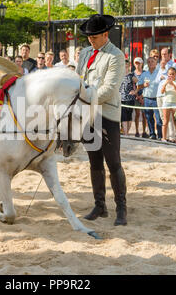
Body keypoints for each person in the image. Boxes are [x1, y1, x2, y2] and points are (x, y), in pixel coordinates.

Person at [76, 14, 127, 226]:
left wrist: (84, 97)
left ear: (105, 34)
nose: (90, 40)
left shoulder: (116, 55)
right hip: (88, 113)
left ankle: (121, 208)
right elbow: (78, 79)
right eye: (89, 36)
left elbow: (109, 88)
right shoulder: (85, 53)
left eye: (94, 36)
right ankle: (100, 205)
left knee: (113, 162)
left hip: (107, 114)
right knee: (94, 161)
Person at [155, 47, 176, 142]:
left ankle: (172, 137)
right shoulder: (159, 65)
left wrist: (164, 69)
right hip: (160, 93)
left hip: (169, 94)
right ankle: (165, 136)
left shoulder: (173, 64)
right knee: (162, 117)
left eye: (165, 54)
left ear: (169, 55)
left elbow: (172, 76)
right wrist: (161, 71)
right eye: (162, 54)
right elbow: (156, 80)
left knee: (171, 118)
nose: (163, 56)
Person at [138, 56, 162, 139]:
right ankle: (152, 134)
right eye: (149, 62)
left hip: (157, 99)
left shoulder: (159, 73)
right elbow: (138, 86)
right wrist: (143, 85)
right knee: (149, 117)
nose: (150, 63)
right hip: (147, 98)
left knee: (158, 118)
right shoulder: (144, 74)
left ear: (156, 63)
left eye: (152, 61)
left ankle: (160, 135)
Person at [160, 67, 176, 142]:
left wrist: (173, 84)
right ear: (167, 74)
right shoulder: (165, 82)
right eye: (170, 74)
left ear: (175, 74)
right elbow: (162, 92)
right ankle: (164, 137)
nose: (171, 76)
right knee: (165, 121)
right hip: (166, 103)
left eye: (173, 74)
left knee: (175, 121)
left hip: (174, 103)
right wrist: (166, 84)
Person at [119, 59, 137, 135]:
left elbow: (138, 85)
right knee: (123, 116)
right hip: (121, 98)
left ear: (129, 65)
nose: (125, 66)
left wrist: (135, 91)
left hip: (130, 98)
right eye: (124, 64)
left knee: (129, 116)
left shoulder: (131, 75)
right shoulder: (118, 74)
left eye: (127, 64)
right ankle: (125, 133)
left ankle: (127, 132)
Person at [132, 57, 148, 138]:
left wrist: (142, 96)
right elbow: (132, 86)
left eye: (139, 63)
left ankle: (144, 131)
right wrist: (137, 96)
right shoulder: (132, 74)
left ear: (142, 64)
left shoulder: (145, 73)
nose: (137, 64)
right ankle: (137, 131)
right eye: (136, 63)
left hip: (144, 96)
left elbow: (147, 85)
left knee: (144, 115)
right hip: (136, 97)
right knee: (137, 114)